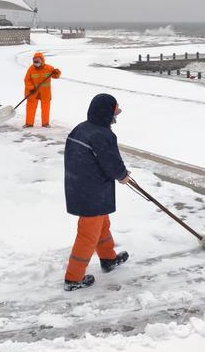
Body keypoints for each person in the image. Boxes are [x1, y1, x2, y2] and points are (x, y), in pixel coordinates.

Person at [63, 93, 130, 291]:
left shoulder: (81, 128)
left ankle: (108, 259)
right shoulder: (103, 135)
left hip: (81, 186)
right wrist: (122, 175)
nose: (115, 119)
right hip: (91, 191)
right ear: (106, 113)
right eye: (114, 114)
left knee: (102, 225)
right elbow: (111, 163)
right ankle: (73, 278)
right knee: (88, 234)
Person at [23, 52, 61, 127]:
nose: (36, 63)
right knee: (30, 107)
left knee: (46, 108)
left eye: (37, 61)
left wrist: (57, 72)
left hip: (45, 92)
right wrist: (31, 88)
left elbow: (55, 76)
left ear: (42, 60)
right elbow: (27, 80)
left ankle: (45, 123)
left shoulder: (49, 68)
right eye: (34, 61)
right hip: (33, 92)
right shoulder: (31, 69)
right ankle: (29, 123)